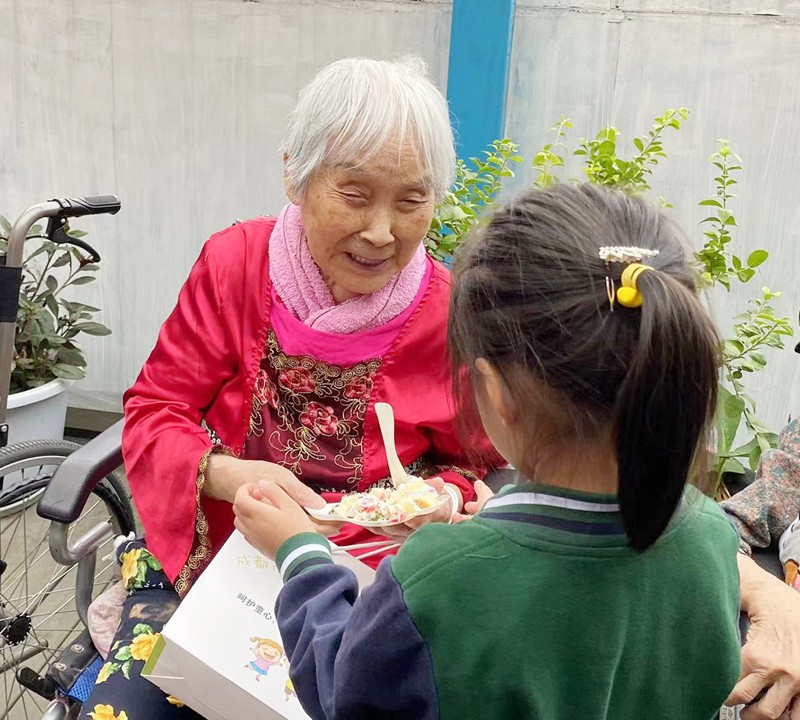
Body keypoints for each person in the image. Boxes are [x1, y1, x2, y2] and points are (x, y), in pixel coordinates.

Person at [79, 56, 498, 720]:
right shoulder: (236, 265)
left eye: (411, 201)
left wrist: (445, 497)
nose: (381, 232)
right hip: (211, 563)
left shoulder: (450, 317)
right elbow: (157, 407)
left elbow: (477, 464)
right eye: (355, 194)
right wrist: (224, 474)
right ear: (295, 175)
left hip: (364, 589)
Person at [234, 183, 744, 719]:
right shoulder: (710, 539)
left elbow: (345, 691)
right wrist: (495, 529)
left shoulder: (440, 582)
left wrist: (300, 553)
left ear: (498, 393)